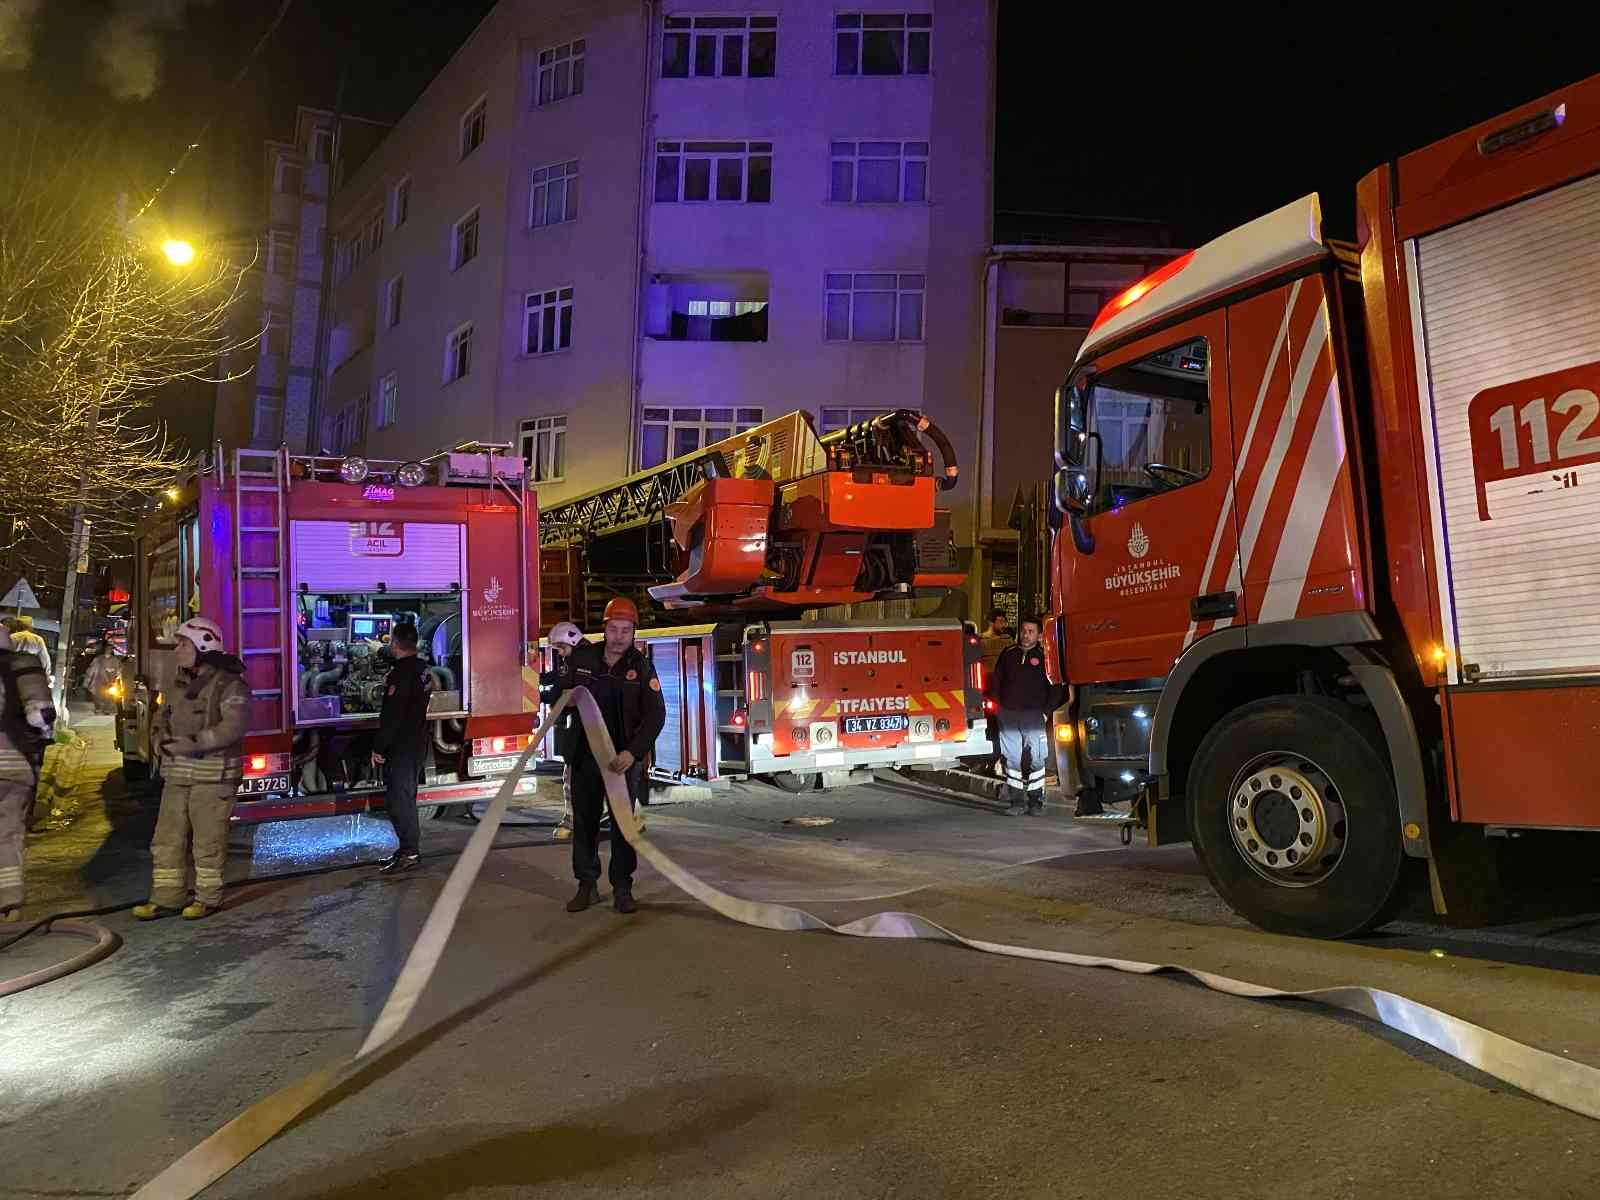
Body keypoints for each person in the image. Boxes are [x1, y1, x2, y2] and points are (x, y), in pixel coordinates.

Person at [132, 617, 250, 921]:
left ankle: (207, 899)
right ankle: (166, 898)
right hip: (177, 776)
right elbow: (162, 715)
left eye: (183, 644)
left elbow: (232, 728)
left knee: (207, 842)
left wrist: (193, 743)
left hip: (213, 778)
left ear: (203, 646)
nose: (178, 650)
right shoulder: (179, 682)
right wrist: (157, 736)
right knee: (167, 839)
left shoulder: (230, 684)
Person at [561, 596, 664, 914]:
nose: (619, 636)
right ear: (605, 629)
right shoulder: (583, 659)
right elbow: (561, 694)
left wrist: (633, 753)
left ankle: (622, 888)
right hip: (585, 758)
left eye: (626, 630)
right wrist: (565, 697)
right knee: (586, 823)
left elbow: (655, 716)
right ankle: (587, 886)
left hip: (621, 763)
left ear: (634, 633)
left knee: (623, 827)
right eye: (614, 629)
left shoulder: (641, 666)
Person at [0, 622, 54, 921]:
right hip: (13, 766)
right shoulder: (23, 666)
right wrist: (41, 742)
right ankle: (10, 905)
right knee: (7, 834)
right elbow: (39, 716)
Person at [371, 622, 433, 874]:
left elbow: (392, 717)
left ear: (395, 643)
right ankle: (406, 849)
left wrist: (379, 748)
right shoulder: (421, 668)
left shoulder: (399, 675)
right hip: (417, 740)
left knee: (400, 801)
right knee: (403, 797)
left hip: (402, 745)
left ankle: (410, 852)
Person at [984, 616, 1062, 817]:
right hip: (1008, 716)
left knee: (1037, 759)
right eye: (1024, 631)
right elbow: (997, 682)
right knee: (1011, 760)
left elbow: (1055, 687)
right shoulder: (1008, 654)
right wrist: (999, 707)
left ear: (1039, 635)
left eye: (1031, 631)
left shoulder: (1045, 657)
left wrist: (1046, 711)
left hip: (1034, 715)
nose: (1026, 635)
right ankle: (1016, 802)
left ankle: (1036, 802)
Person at [539, 621, 586, 838]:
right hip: (593, 728)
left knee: (572, 776)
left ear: (572, 641)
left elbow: (561, 686)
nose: (559, 653)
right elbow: (557, 678)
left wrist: (537, 694)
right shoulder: (584, 657)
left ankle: (572, 822)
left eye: (561, 648)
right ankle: (631, 817)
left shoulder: (578, 660)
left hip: (586, 729)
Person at [5, 615, 52, 683]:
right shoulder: (38, 639)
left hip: (12, 672)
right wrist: (46, 675)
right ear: (30, 627)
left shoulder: (12, 637)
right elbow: (45, 660)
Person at [83, 640, 123, 713]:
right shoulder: (98, 659)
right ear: (104, 649)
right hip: (98, 682)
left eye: (110, 648)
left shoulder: (116, 660)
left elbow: (119, 671)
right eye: (107, 648)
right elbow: (91, 670)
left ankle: (107, 709)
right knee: (98, 695)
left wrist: (116, 678)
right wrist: (87, 681)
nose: (108, 650)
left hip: (110, 682)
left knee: (110, 696)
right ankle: (99, 707)